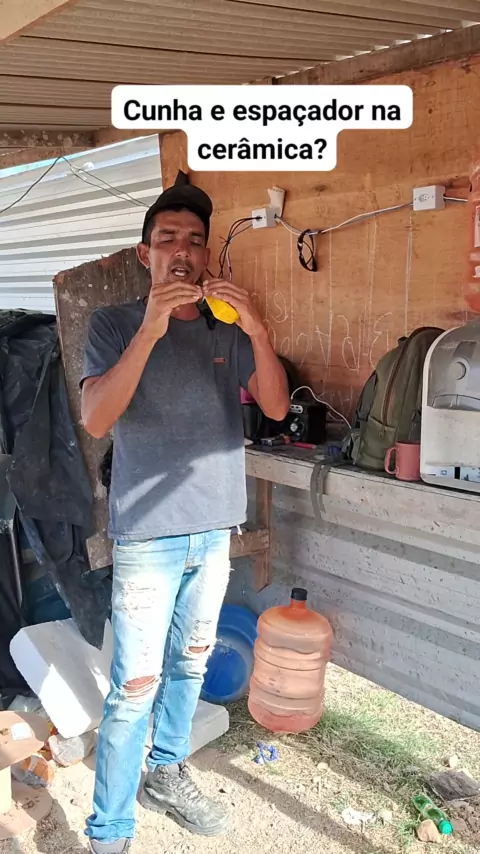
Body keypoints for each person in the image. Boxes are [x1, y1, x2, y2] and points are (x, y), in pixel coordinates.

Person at [80, 175, 290, 853]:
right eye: (167, 238)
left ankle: (167, 772)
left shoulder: (225, 327)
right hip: (148, 536)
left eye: (195, 241)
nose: (182, 251)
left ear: (205, 256)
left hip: (214, 527)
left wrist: (257, 328)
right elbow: (96, 418)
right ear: (145, 254)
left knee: (190, 666)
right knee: (134, 687)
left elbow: (277, 407)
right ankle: (110, 833)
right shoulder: (114, 324)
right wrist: (150, 330)